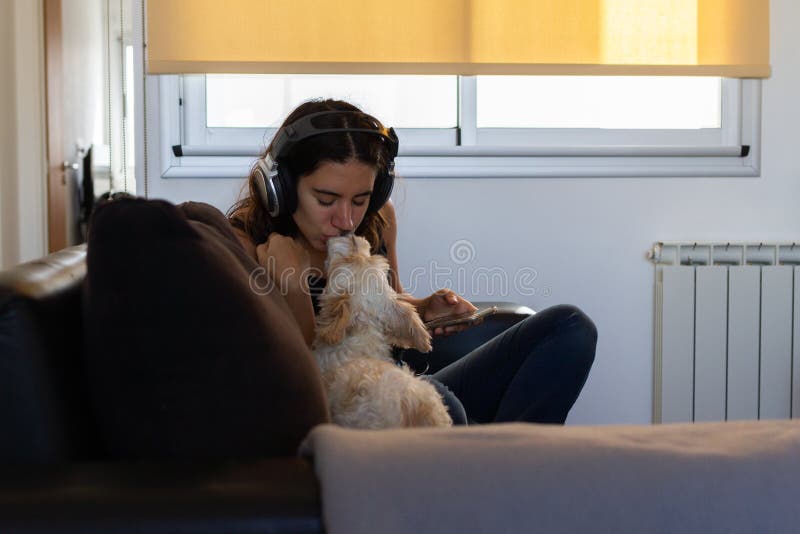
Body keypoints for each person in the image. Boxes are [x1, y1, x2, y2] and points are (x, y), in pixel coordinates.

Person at [228, 98, 596, 425]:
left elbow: (387, 304)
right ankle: (491, 473)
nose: (346, 220)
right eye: (326, 200)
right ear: (280, 187)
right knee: (446, 406)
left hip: (395, 381)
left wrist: (422, 309)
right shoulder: (246, 245)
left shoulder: (378, 219)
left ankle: (515, 470)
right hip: (347, 408)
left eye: (360, 199)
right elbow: (286, 379)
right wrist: (290, 283)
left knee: (569, 327)